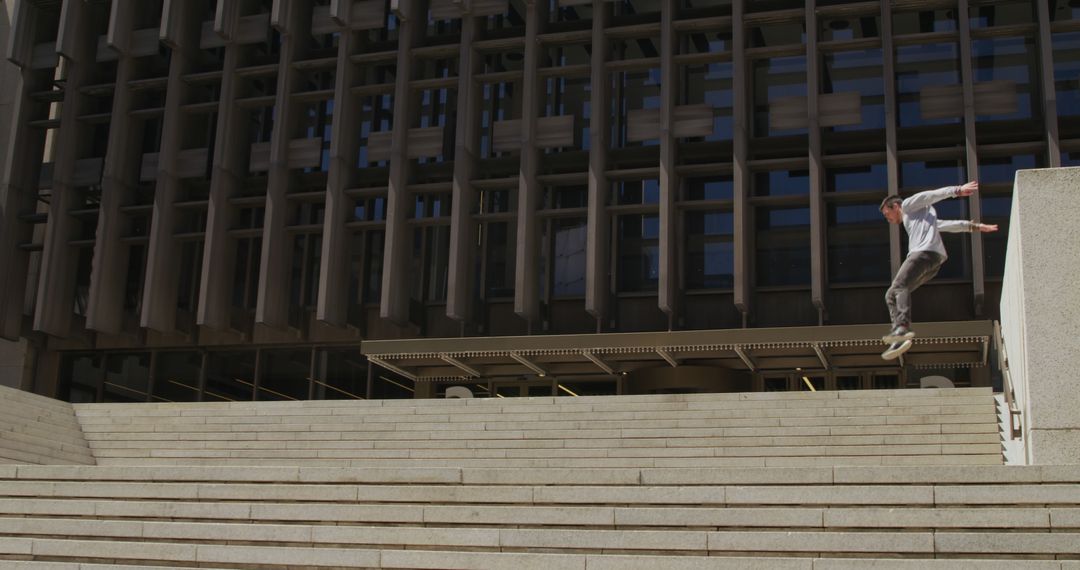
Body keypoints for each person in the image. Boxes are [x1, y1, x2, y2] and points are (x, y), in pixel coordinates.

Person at [878, 181, 998, 360]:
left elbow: (931, 195)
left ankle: (902, 327)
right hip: (934, 264)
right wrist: (973, 227)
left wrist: (956, 191)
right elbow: (946, 225)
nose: (889, 220)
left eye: (888, 215)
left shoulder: (909, 205)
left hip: (922, 254)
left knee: (899, 286)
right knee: (891, 294)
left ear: (895, 206)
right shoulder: (921, 219)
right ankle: (898, 336)